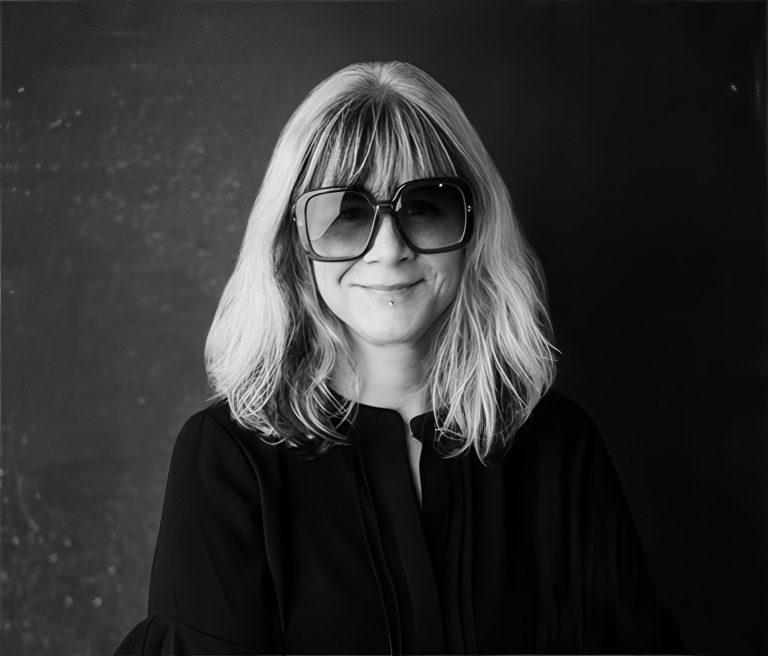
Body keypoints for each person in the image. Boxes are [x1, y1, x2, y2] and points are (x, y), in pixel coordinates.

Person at [116, 61, 685, 655]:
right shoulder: (226, 460)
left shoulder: (561, 446)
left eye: (425, 207)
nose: (388, 251)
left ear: (475, 229)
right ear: (293, 246)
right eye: (345, 214)